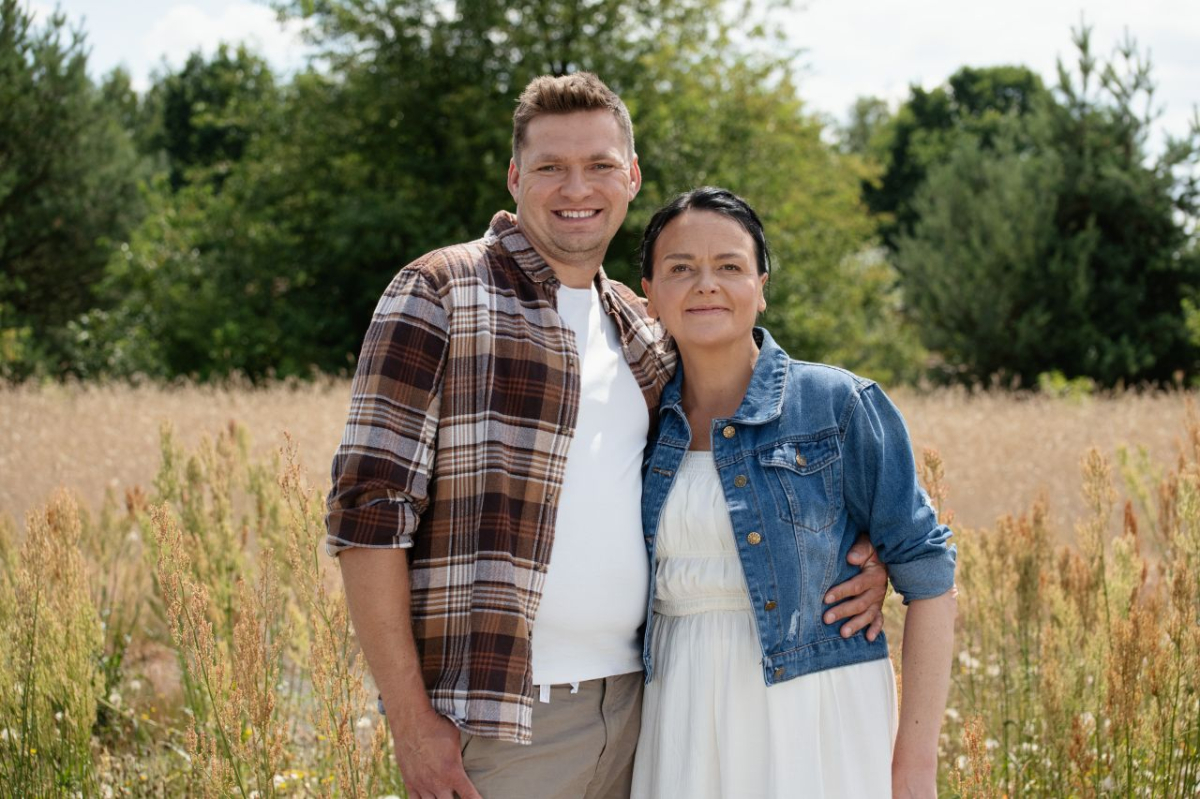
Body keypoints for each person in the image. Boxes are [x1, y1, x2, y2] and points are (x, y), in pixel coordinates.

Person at [325, 74, 890, 799]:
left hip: (648, 706)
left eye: (598, 165)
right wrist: (409, 719)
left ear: (631, 177)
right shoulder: (442, 290)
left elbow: (740, 452)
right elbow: (368, 515)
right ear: (514, 176)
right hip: (501, 720)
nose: (575, 187)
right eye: (551, 166)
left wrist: (851, 556)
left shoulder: (641, 325)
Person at [631, 187, 958, 799]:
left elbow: (932, 579)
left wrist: (915, 764)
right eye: (680, 268)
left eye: (729, 266)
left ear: (761, 285)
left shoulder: (838, 405)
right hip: (675, 704)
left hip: (812, 707)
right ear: (647, 292)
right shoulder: (637, 420)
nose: (706, 284)